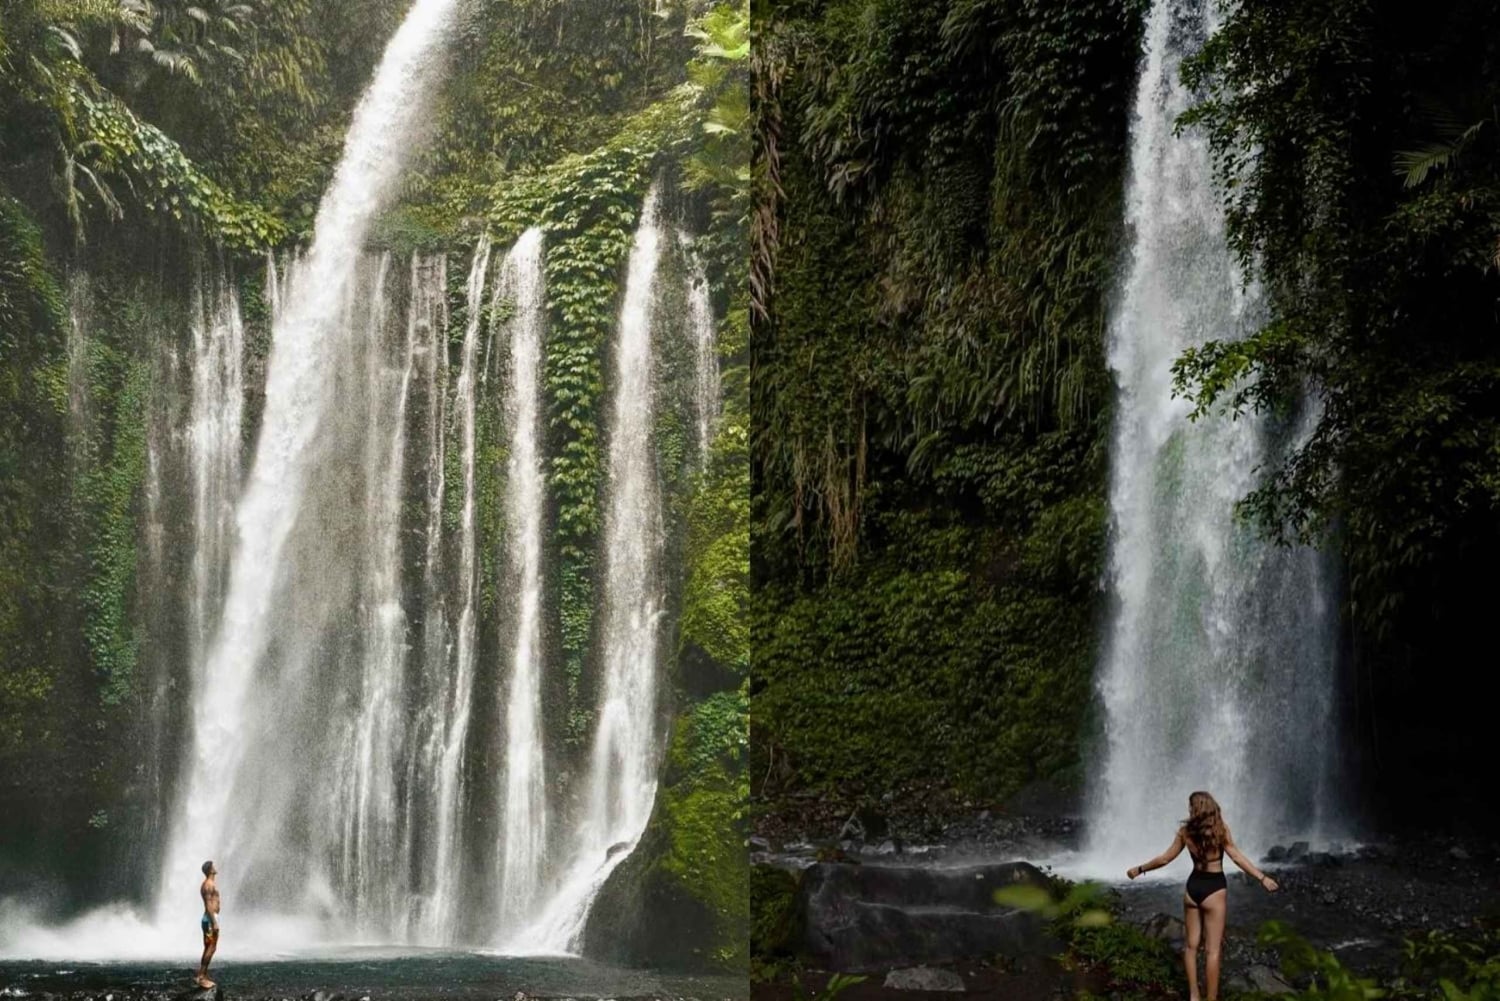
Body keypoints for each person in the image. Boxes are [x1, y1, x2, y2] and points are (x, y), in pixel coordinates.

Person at [1126, 791, 1279, 1001]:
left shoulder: (1185, 832)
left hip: (1193, 888)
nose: (1188, 810)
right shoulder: (1220, 831)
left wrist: (1139, 868)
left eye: (1190, 806)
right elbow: (1236, 857)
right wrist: (1262, 878)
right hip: (1214, 889)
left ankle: (1194, 995)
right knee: (1213, 951)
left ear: (1195, 809)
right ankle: (1211, 998)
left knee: (1190, 946)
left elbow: (1164, 859)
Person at [196, 860, 220, 989]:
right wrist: (214, 922)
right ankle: (201, 977)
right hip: (210, 920)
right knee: (212, 947)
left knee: (208, 947)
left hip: (209, 919)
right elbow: (208, 905)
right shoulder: (208, 885)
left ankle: (202, 975)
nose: (215, 868)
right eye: (213, 866)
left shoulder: (208, 884)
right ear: (210, 870)